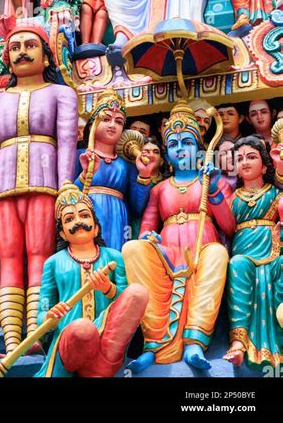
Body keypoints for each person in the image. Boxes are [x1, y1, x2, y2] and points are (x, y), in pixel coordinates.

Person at [0, 24, 78, 356]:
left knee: (39, 256)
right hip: (2, 187)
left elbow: (67, 143)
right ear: (8, 60)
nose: (22, 51)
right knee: (8, 259)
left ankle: (35, 335)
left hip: (46, 181)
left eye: (30, 45)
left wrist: (65, 186)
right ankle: (10, 343)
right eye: (15, 46)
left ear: (45, 55)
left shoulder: (60, 93)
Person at [122, 101, 234, 372]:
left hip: (202, 249)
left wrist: (215, 191)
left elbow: (229, 226)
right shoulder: (160, 189)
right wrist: (150, 237)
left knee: (218, 254)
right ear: (167, 154)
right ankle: (154, 344)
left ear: (198, 147)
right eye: (173, 144)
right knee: (133, 249)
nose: (181, 149)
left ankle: (195, 340)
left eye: (187, 142)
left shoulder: (209, 180)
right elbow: (148, 227)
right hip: (169, 252)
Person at [35, 182, 149, 377]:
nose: (78, 221)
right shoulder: (53, 263)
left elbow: (127, 304)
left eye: (84, 215)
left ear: (96, 228)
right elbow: (42, 312)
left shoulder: (114, 257)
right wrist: (49, 317)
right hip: (71, 345)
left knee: (138, 292)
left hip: (107, 345)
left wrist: (108, 289)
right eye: (69, 219)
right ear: (62, 232)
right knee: (83, 330)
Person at [223, 136, 283, 370]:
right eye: (239, 159)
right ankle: (238, 341)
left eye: (251, 157)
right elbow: (225, 228)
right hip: (243, 255)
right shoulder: (232, 198)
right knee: (237, 265)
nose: (245, 162)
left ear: (265, 165)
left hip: (273, 252)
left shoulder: (276, 196)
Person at [75, 91, 151, 250]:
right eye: (106, 119)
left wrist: (144, 175)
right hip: (87, 214)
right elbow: (67, 195)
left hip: (118, 219)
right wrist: (84, 175)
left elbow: (137, 208)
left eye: (118, 121)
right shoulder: (80, 156)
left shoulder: (126, 165)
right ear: (92, 124)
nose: (112, 125)